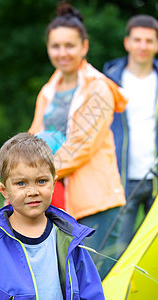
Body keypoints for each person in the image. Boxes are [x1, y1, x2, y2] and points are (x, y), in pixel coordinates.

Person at [29, 3, 127, 279]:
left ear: (84, 46)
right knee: (63, 282)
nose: (62, 53)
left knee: (92, 282)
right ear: (48, 48)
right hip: (59, 199)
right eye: (56, 46)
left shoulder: (98, 88)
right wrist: (20, 177)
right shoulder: (48, 90)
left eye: (69, 46)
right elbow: (33, 137)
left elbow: (80, 149)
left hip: (97, 202)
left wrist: (34, 177)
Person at [0, 132, 105, 300]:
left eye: (41, 181)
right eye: (21, 183)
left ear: (53, 183)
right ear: (4, 190)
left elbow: (92, 292)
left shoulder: (68, 236)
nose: (33, 191)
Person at [103, 14, 158, 251]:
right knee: (119, 249)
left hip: (155, 178)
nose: (143, 46)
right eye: (137, 40)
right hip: (122, 178)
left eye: (149, 40)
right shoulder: (109, 79)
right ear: (127, 42)